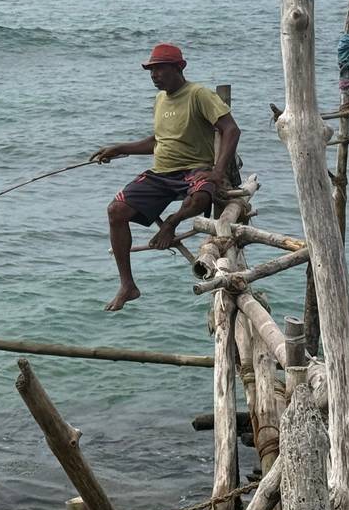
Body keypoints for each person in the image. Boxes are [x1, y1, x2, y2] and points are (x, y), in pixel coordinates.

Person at [91, 43, 240, 311]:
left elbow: (231, 130)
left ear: (178, 68)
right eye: (151, 70)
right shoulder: (160, 100)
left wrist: (218, 171)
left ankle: (171, 222)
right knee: (116, 210)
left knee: (201, 195)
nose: (154, 75)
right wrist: (120, 148)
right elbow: (158, 141)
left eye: (159, 69)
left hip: (193, 170)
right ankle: (128, 285)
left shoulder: (198, 95)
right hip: (161, 173)